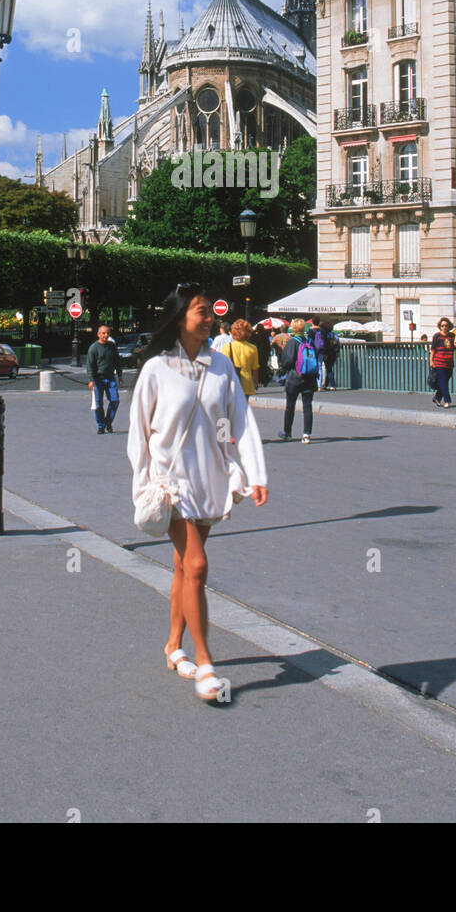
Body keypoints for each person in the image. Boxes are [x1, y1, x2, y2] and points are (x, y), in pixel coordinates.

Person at [127, 283, 267, 701]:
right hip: (171, 484)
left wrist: (252, 471)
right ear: (181, 316)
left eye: (210, 312)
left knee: (183, 569)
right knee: (198, 565)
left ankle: (173, 646)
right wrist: (144, 485)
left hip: (209, 478)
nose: (209, 318)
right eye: (202, 311)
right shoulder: (156, 368)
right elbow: (139, 435)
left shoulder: (220, 366)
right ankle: (206, 663)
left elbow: (236, 421)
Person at [277, 318, 318, 444]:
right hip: (309, 378)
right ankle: (306, 434)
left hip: (295, 378)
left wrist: (282, 369)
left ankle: (287, 432)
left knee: (290, 405)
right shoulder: (310, 341)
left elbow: (288, 361)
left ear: (294, 328)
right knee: (307, 406)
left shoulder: (292, 342)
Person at [87, 324, 123, 433]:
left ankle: (108, 422)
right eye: (103, 333)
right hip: (98, 379)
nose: (106, 335)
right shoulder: (93, 348)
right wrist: (91, 380)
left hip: (110, 378)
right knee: (98, 404)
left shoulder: (112, 346)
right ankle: (101, 426)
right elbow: (90, 365)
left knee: (115, 400)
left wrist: (120, 375)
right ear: (98, 334)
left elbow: (117, 361)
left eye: (107, 333)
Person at [222, 319, 259, 398]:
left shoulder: (227, 347)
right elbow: (255, 368)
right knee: (243, 409)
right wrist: (256, 382)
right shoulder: (253, 348)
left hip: (231, 384)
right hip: (247, 384)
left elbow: (223, 367)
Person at [429, 318, 455, 407]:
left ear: (449, 326)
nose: (444, 327)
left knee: (444, 382)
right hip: (439, 362)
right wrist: (431, 361)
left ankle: (437, 398)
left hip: (449, 363)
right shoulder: (437, 336)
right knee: (443, 382)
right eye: (442, 326)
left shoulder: (452, 336)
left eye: (446, 325)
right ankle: (447, 400)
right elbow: (433, 350)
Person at [320, 323, 340, 390]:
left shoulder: (326, 335)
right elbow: (339, 344)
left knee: (328, 369)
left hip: (327, 353)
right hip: (334, 353)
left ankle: (333, 385)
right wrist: (338, 352)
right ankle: (325, 384)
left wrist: (324, 353)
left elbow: (324, 344)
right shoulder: (334, 334)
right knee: (329, 368)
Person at [251, 322, 271, 387]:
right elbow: (268, 346)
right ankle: (264, 381)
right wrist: (268, 354)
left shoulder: (254, 335)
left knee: (256, 368)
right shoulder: (265, 335)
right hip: (263, 354)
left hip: (256, 353)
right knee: (264, 367)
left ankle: (256, 381)